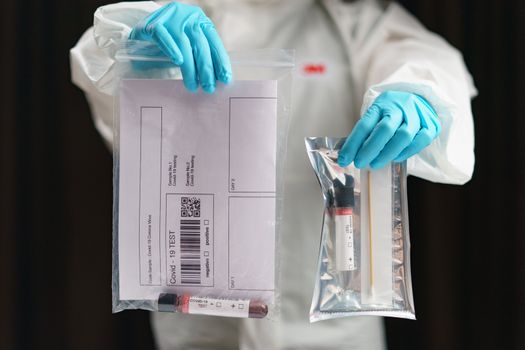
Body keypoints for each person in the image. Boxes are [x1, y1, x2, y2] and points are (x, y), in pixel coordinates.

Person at [70, 1, 476, 349]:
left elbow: (426, 61)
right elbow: (100, 64)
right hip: (202, 325)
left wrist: (420, 95)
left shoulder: (355, 23)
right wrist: (135, 49)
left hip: (336, 330)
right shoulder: (184, 15)